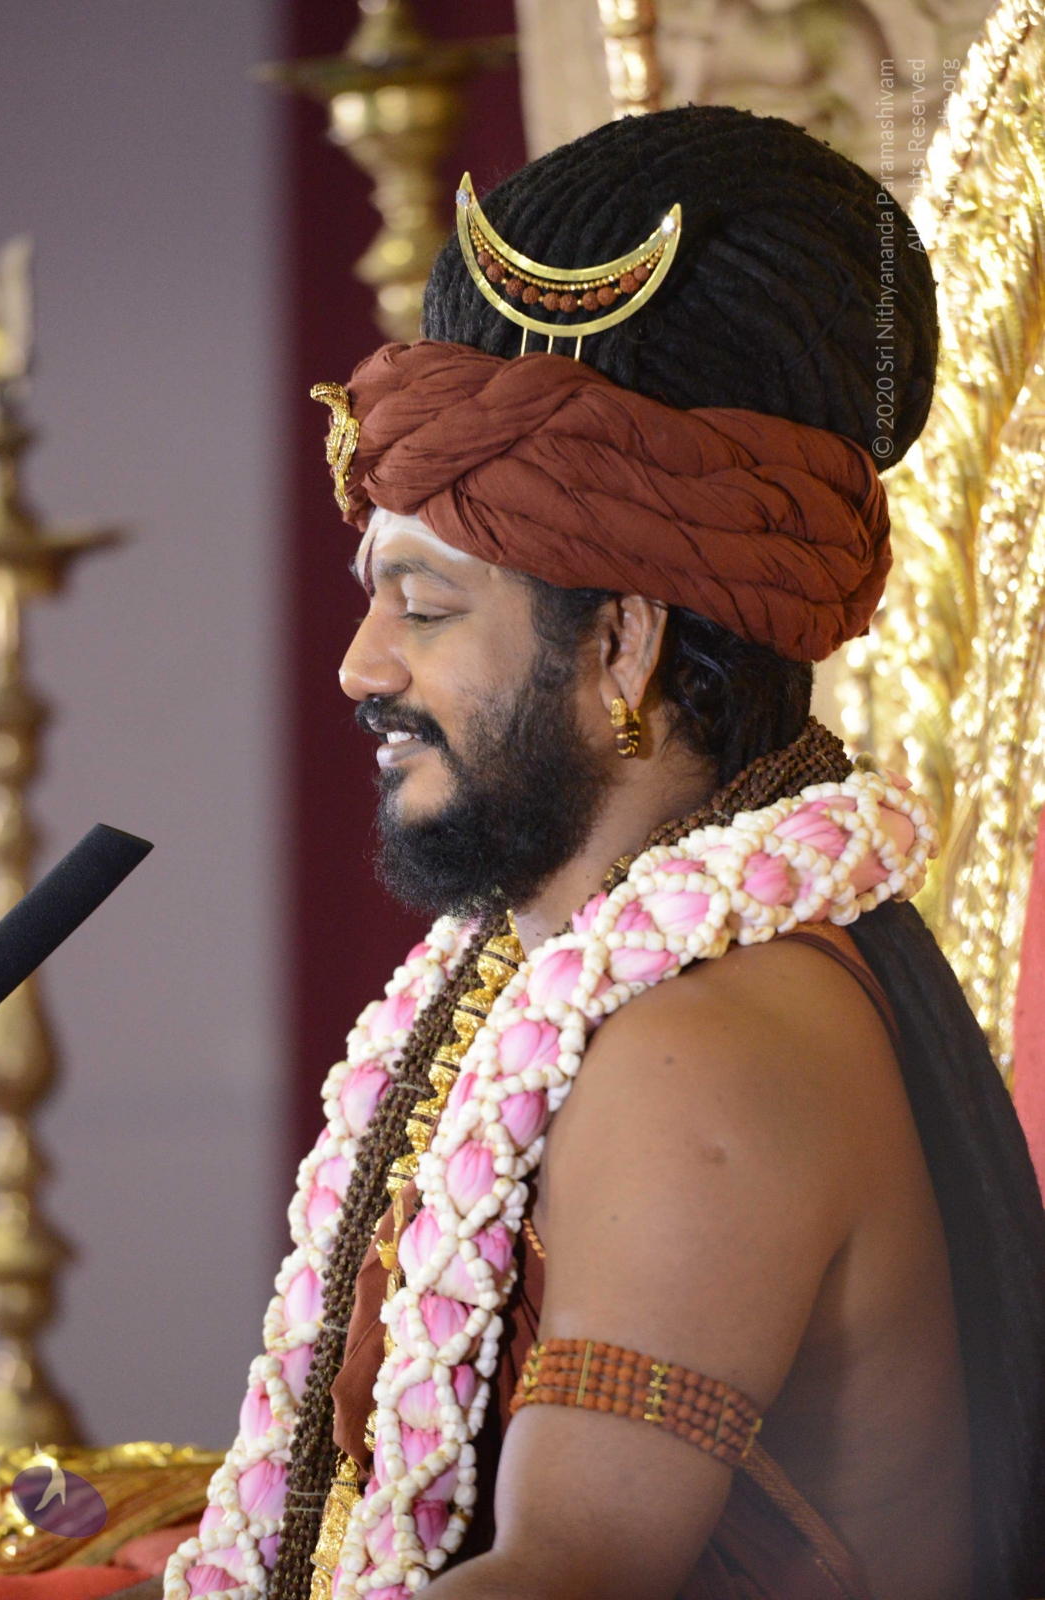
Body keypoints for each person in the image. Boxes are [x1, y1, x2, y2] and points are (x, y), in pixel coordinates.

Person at [156, 105, 1045, 1600]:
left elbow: (568, 1578)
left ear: (623, 643)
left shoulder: (703, 1046)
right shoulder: (599, 988)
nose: (362, 665)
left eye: (427, 607)